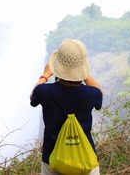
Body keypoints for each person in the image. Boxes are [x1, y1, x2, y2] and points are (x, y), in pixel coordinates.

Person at [30, 38, 103, 175]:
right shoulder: (92, 94)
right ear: (82, 69)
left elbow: (33, 97)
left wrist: (45, 75)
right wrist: (83, 73)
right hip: (85, 160)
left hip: (52, 161)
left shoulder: (44, 92)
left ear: (58, 66)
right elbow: (99, 93)